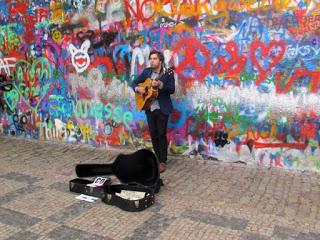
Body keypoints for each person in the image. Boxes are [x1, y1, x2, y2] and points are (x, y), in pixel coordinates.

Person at [132, 50, 175, 173]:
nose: (152, 60)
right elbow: (134, 82)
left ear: (160, 60)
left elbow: (172, 89)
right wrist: (138, 88)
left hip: (162, 108)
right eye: (150, 58)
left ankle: (163, 161)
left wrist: (160, 84)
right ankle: (157, 158)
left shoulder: (167, 73)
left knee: (161, 134)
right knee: (154, 134)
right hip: (149, 108)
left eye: (154, 58)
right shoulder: (146, 72)